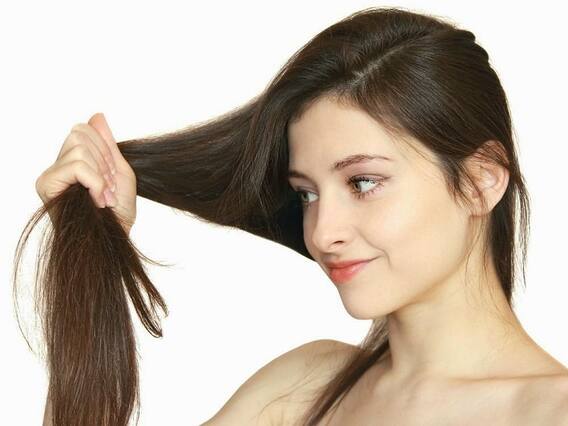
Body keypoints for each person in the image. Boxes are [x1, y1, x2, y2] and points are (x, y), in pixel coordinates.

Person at [18, 5, 567, 426]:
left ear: (481, 180)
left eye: (363, 182)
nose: (323, 233)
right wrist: (92, 243)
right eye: (306, 194)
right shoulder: (304, 389)